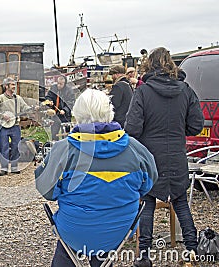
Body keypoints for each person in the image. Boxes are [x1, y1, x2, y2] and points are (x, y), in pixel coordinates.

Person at [35, 89, 158, 267]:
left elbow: (47, 190)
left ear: (77, 114)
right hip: (118, 230)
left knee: (67, 252)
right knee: (102, 252)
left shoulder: (63, 150)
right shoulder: (136, 150)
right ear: (109, 112)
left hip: (74, 230)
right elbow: (148, 185)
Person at [125, 47, 204, 267]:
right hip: (177, 156)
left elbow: (132, 127)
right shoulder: (186, 90)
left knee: (147, 203)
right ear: (171, 65)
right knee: (180, 203)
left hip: (150, 157)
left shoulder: (143, 91)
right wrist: (178, 129)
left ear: (150, 65)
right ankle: (192, 250)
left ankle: (144, 257)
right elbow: (196, 126)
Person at [0, 77, 31, 176]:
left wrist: (33, 108)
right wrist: (2, 116)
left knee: (16, 146)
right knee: (3, 146)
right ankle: (4, 168)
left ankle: (14, 167)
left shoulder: (18, 98)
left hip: (15, 126)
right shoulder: (0, 98)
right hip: (4, 126)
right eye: (12, 84)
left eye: (14, 84)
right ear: (6, 86)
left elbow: (25, 107)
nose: (14, 87)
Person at [45, 75, 75, 141]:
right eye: (58, 83)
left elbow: (71, 102)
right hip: (55, 115)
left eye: (61, 84)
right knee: (54, 133)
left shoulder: (69, 91)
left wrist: (65, 110)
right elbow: (48, 97)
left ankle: (66, 147)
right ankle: (56, 146)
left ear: (64, 84)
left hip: (65, 116)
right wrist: (50, 101)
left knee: (65, 134)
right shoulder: (53, 88)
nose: (58, 85)